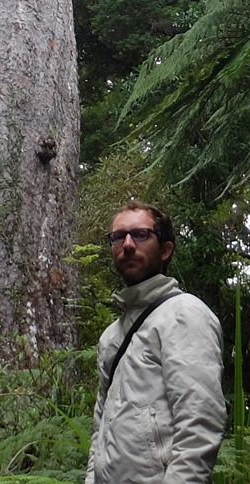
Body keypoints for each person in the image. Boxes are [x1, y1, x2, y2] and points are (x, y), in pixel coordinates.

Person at [85, 201, 225, 484]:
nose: (127, 244)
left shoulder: (184, 313)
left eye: (140, 234)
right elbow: (100, 428)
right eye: (118, 236)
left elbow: (200, 425)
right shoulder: (112, 335)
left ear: (165, 249)